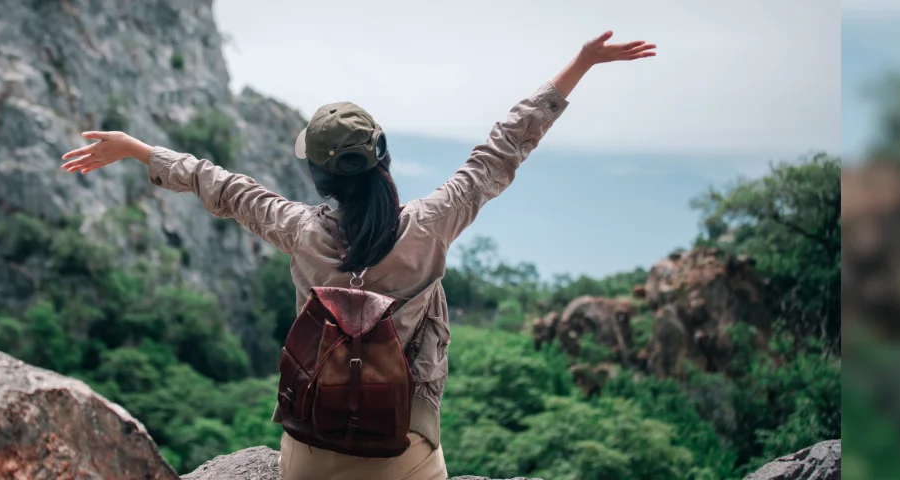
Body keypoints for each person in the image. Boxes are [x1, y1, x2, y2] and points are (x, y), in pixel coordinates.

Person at [59, 30, 656, 480]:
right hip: (404, 452)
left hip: (309, 451)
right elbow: (501, 150)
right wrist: (579, 65)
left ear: (319, 178)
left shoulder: (299, 229)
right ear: (385, 160)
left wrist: (138, 150)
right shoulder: (429, 226)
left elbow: (223, 186)